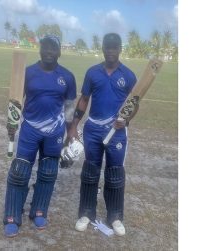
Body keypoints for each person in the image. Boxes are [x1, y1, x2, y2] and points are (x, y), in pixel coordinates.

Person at [3, 35, 77, 237]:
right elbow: (16, 101)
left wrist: (71, 131)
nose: (49, 52)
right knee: (20, 172)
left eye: (54, 48)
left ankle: (39, 211)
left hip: (55, 131)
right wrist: (12, 123)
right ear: (40, 49)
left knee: (48, 172)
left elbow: (70, 108)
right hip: (30, 129)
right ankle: (12, 215)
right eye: (46, 47)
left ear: (60, 51)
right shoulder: (28, 73)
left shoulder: (67, 77)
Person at [66, 33, 137, 236]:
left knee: (115, 174)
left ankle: (115, 216)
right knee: (90, 172)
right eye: (108, 47)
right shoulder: (93, 73)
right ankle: (86, 212)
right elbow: (84, 99)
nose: (111, 51)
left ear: (120, 49)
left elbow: (134, 104)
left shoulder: (129, 75)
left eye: (115, 47)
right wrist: (74, 125)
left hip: (117, 132)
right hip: (94, 130)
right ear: (103, 48)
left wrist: (126, 119)